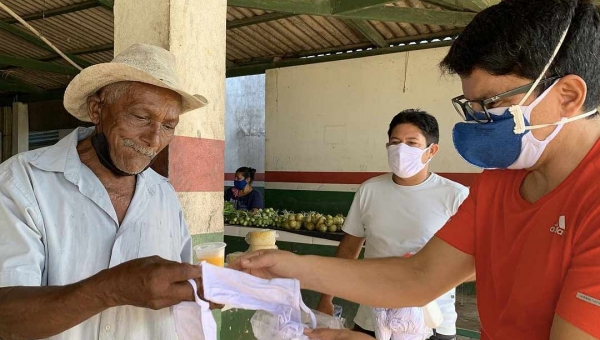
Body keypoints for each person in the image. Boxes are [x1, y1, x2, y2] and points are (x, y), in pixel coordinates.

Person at [232, 0, 600, 339]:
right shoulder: (500, 182)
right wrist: (289, 266)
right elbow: (420, 276)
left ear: (567, 95)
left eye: (492, 103)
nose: (480, 120)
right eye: (471, 107)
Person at [0, 43, 219, 340]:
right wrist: (112, 289)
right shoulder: (22, 183)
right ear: (97, 110)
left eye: (168, 126)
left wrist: (205, 289)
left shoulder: (163, 195)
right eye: (141, 117)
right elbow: (6, 319)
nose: (154, 140)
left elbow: (181, 298)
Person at [316, 110, 468, 340]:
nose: (401, 150)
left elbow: (477, 262)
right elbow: (348, 251)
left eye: (411, 143)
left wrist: (427, 274)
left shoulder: (454, 196)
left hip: (433, 322)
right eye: (395, 142)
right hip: (372, 318)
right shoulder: (370, 190)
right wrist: (326, 298)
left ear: (432, 150)